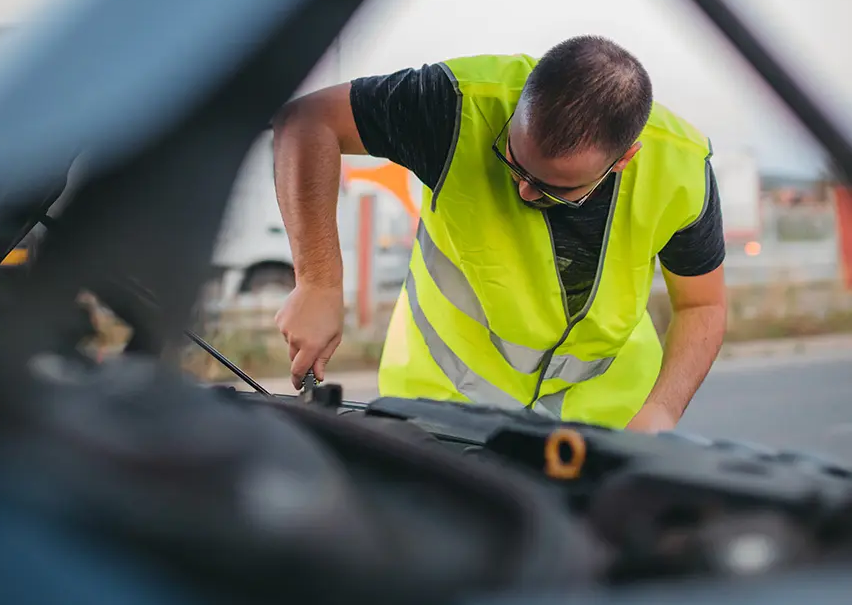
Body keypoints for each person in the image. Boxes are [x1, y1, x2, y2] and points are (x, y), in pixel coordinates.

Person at [271, 36, 727, 432]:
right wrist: (318, 282)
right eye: (514, 160)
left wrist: (662, 411)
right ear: (522, 101)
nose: (525, 191)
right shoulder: (456, 105)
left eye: (556, 188)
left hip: (604, 427)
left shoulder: (681, 170)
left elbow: (702, 306)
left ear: (623, 159)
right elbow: (306, 121)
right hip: (442, 414)